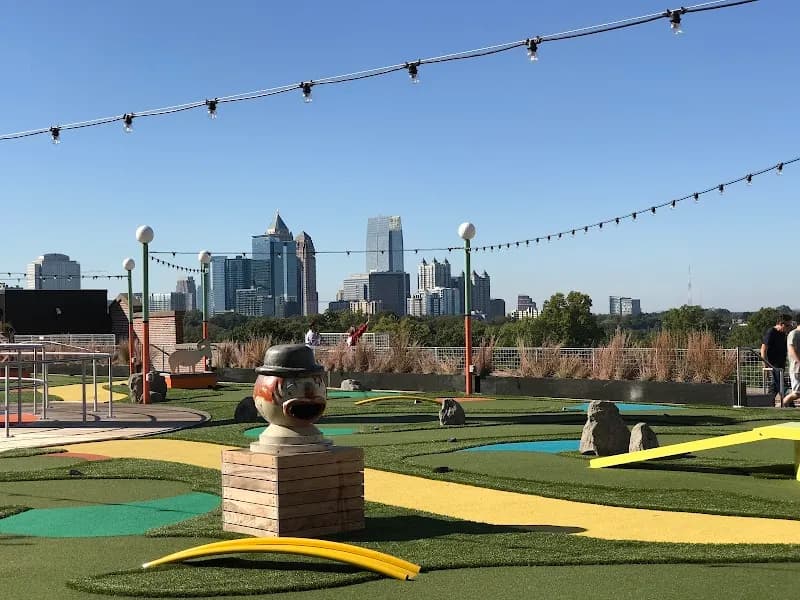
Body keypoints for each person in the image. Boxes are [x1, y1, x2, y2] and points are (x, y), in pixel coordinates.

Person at [761, 314, 792, 406]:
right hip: (773, 363)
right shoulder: (771, 332)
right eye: (787, 325)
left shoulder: (783, 334)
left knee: (775, 386)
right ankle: (790, 404)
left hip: (781, 363)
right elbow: (763, 348)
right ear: (781, 324)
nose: (788, 328)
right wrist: (765, 364)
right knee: (782, 384)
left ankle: (767, 403)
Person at [781, 316, 800, 408]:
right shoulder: (794, 334)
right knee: (797, 393)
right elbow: (791, 349)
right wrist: (799, 361)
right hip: (797, 369)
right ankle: (782, 404)